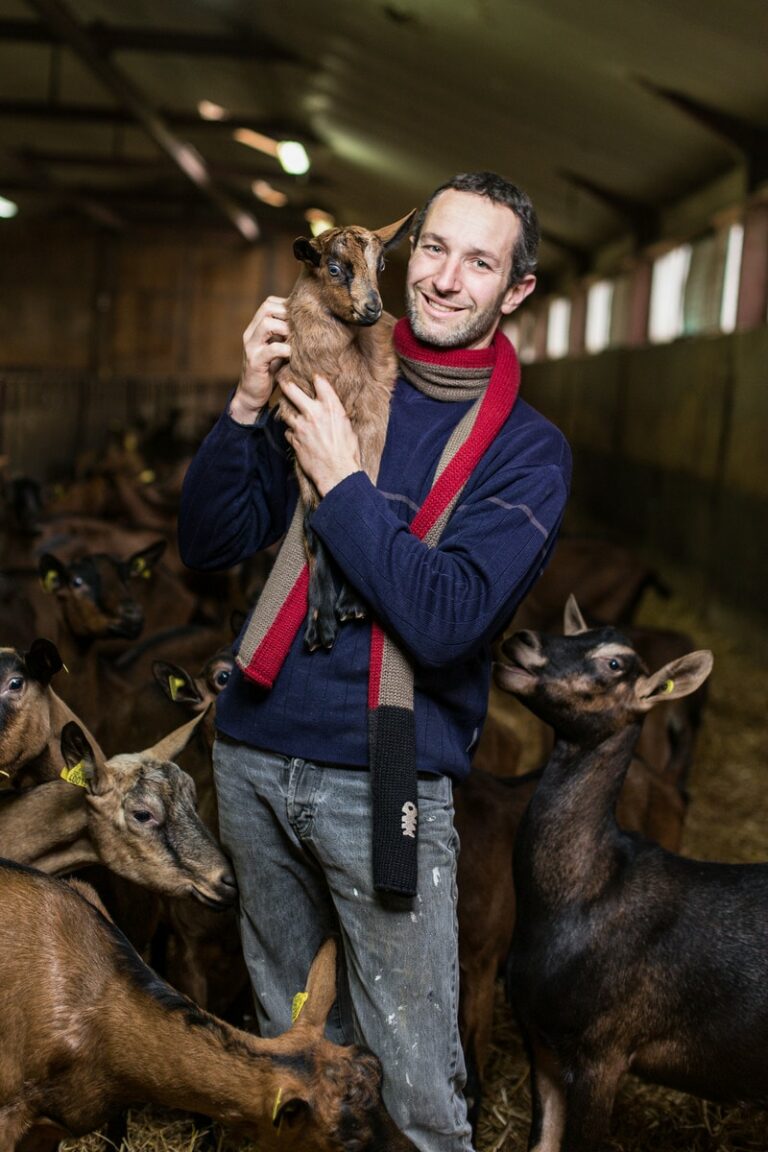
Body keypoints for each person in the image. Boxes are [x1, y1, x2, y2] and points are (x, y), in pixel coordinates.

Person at [178, 171, 571, 1151]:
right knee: (293, 1062)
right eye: (431, 249)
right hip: (257, 753)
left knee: (420, 1092)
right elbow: (209, 545)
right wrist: (244, 405)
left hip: (385, 780)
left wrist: (345, 485)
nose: (443, 278)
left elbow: (446, 622)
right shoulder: (328, 372)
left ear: (514, 291)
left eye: (480, 262)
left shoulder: (527, 453)